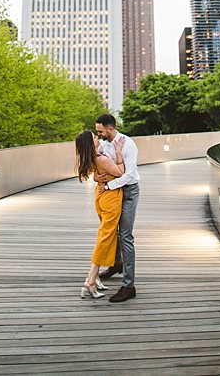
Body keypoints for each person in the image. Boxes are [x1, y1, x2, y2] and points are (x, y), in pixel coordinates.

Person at [93, 113, 139, 302]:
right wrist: (96, 178)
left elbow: (128, 175)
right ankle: (116, 263)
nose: (99, 134)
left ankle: (129, 286)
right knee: (111, 231)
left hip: (128, 192)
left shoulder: (127, 144)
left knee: (125, 236)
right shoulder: (103, 145)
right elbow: (98, 166)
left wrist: (108, 186)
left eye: (100, 131)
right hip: (111, 194)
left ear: (110, 128)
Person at [75, 129, 125, 299]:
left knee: (106, 236)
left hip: (101, 197)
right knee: (105, 237)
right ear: (91, 143)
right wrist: (118, 153)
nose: (98, 139)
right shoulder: (102, 159)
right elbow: (120, 172)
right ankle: (89, 280)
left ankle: (95, 279)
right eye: (95, 138)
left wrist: (99, 178)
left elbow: (97, 176)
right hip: (110, 199)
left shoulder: (93, 159)